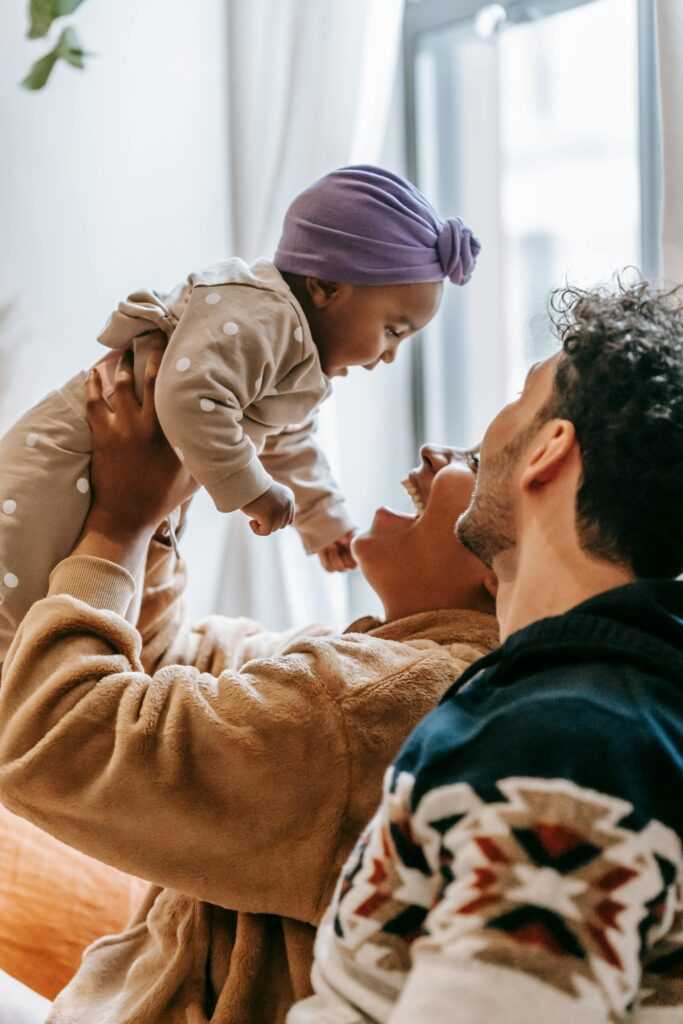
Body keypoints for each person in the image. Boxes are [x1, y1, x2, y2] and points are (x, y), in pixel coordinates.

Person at [0, 349, 498, 1023]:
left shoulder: (382, 703)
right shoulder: (384, 668)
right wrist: (159, 508)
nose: (436, 453)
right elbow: (168, 667)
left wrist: (119, 525)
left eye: (478, 461)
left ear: (508, 559)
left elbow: (57, 740)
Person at [290, 275, 683, 1023]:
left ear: (549, 450)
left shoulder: (569, 746)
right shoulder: (564, 707)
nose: (474, 440)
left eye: (520, 399)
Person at [0, 164, 480, 662]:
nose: (390, 355)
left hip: (101, 475)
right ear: (325, 287)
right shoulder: (263, 316)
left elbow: (289, 439)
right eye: (393, 331)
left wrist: (323, 519)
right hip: (62, 460)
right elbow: (190, 399)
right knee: (21, 607)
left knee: (44, 619)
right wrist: (255, 491)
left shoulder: (295, 354)